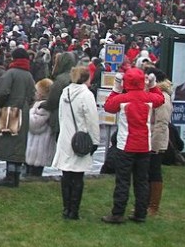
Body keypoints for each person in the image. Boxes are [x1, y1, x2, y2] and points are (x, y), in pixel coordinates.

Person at [102, 68, 165, 223]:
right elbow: (160, 99)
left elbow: (108, 106)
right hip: (144, 145)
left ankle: (118, 213)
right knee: (142, 180)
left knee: (123, 181)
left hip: (126, 145)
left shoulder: (123, 98)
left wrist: (116, 88)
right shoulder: (148, 97)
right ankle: (140, 213)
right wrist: (152, 85)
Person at [51, 67, 100, 220]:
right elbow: (92, 120)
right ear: (86, 78)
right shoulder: (86, 95)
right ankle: (74, 210)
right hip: (80, 138)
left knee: (66, 175)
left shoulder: (65, 92)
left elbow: (61, 115)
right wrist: (95, 141)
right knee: (77, 176)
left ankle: (66, 208)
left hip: (66, 137)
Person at [0, 48, 36, 187]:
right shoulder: (28, 75)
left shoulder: (11, 73)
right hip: (23, 111)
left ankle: (9, 176)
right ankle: (16, 176)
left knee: (8, 144)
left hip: (9, 110)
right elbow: (33, 95)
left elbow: (2, 93)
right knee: (19, 145)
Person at [145, 67, 172, 215]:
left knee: (155, 172)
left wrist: (154, 145)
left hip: (156, 140)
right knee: (149, 171)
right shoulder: (153, 93)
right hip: (150, 138)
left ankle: (154, 205)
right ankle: (147, 202)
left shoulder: (162, 96)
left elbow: (161, 123)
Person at [26, 78, 56, 177]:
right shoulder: (45, 105)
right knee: (33, 173)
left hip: (37, 148)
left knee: (33, 174)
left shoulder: (43, 107)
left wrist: (27, 113)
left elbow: (34, 125)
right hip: (39, 147)